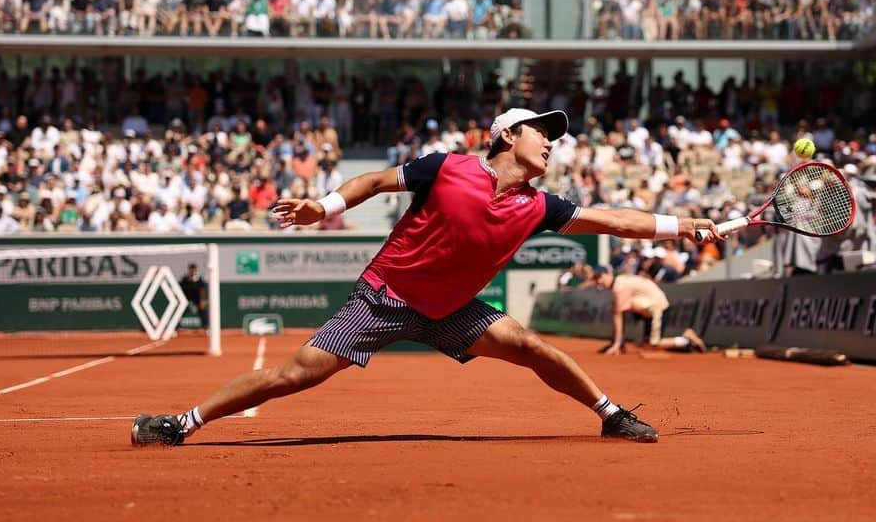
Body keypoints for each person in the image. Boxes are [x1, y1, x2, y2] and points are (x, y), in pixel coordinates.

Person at [131, 108, 725, 446]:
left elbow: (616, 220)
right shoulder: (447, 168)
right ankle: (182, 423)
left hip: (452, 310)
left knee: (528, 344)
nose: (553, 142)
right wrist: (324, 206)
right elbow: (371, 183)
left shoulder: (539, 205)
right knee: (294, 374)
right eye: (543, 131)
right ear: (509, 136)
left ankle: (611, 415)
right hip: (385, 297)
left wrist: (686, 225)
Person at [592, 265, 705, 355]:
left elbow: (618, 316)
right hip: (650, 310)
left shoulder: (619, 286)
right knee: (645, 344)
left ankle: (687, 340)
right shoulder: (621, 281)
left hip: (657, 309)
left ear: (608, 274)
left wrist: (616, 344)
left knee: (653, 343)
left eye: (600, 277)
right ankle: (685, 342)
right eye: (595, 279)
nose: (598, 281)